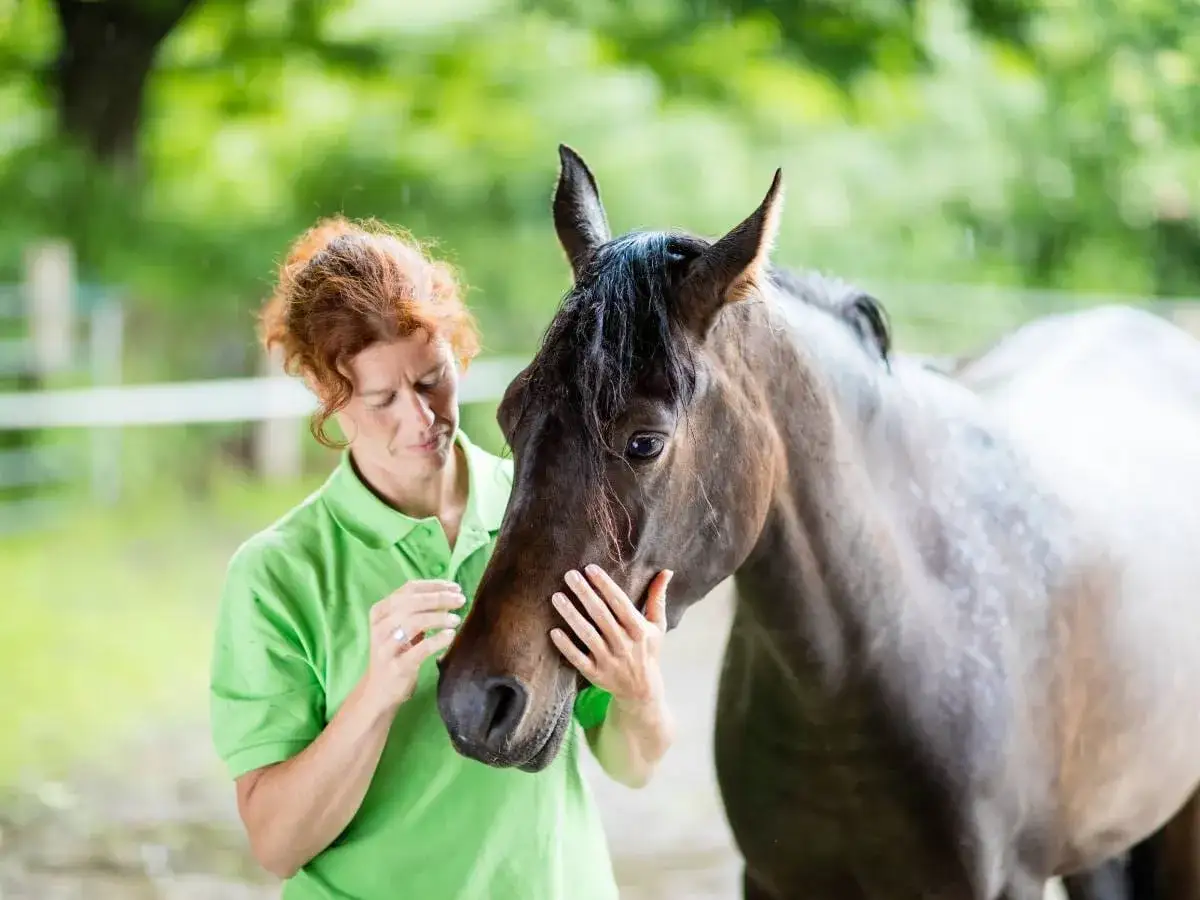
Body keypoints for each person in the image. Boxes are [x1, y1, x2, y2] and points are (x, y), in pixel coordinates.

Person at [208, 216, 676, 900]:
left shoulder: (546, 513)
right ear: (325, 395)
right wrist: (375, 696)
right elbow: (277, 844)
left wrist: (640, 692)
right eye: (381, 399)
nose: (420, 420)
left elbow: (632, 766)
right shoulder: (277, 575)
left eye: (432, 380)